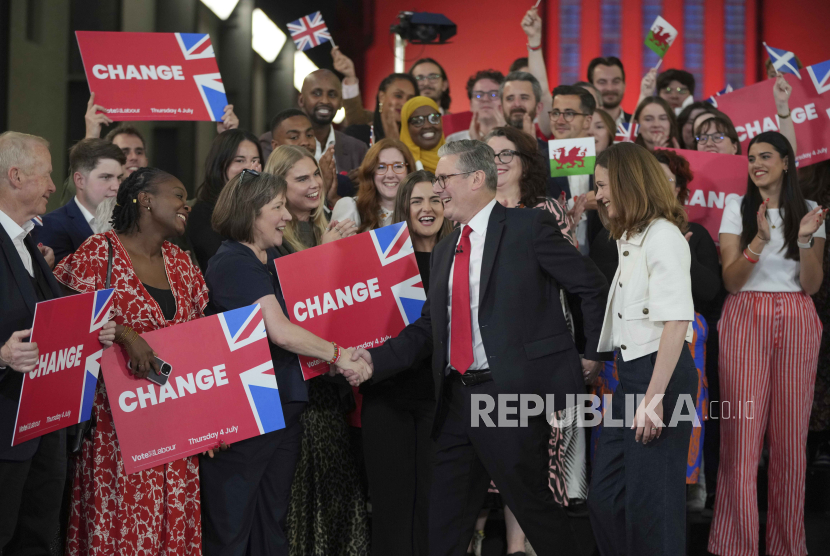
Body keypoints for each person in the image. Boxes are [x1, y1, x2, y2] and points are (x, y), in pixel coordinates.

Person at [341, 139, 609, 555]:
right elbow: (430, 328)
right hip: (456, 402)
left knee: (534, 509)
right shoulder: (449, 245)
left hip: (511, 397)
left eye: (445, 179)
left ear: (477, 178)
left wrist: (591, 354)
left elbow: (590, 285)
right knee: (444, 522)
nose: (440, 189)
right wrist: (373, 360)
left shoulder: (527, 227)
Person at [200, 169, 371, 555]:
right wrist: (340, 356)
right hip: (248, 414)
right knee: (231, 527)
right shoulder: (232, 263)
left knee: (271, 521)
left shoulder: (273, 253)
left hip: (286, 408)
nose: (287, 216)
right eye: (277, 207)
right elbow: (280, 331)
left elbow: (309, 314)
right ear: (249, 212)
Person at [55, 167, 209, 555]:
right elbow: (63, 330)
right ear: (145, 200)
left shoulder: (182, 263)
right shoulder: (98, 253)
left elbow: (202, 341)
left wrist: (211, 421)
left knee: (171, 531)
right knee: (121, 530)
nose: (184, 204)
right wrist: (124, 334)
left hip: (175, 429)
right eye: (177, 195)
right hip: (115, 429)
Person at [709, 131, 827, 556]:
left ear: (786, 161)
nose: (756, 163)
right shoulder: (735, 208)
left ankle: (787, 546)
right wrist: (758, 238)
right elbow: (731, 280)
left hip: (797, 317)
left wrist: (804, 238)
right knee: (741, 436)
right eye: (751, 157)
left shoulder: (811, 212)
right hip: (745, 318)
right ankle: (734, 544)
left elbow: (811, 285)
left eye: (765, 156)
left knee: (791, 442)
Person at [0, 131, 114, 554]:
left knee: (36, 539)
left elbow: (49, 312)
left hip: (43, 425)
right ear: (15, 176)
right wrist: (1, 355)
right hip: (6, 429)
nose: (53, 186)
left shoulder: (28, 239)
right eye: (46, 176)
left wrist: (92, 328)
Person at [588, 141, 698, 556]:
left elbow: (677, 321)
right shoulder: (630, 235)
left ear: (627, 181)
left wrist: (652, 400)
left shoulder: (664, 237)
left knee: (654, 510)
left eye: (603, 185)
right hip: (631, 376)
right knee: (608, 500)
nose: (599, 194)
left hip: (661, 378)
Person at [263, 149, 369, 552]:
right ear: (278, 189)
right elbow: (289, 312)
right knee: (299, 490)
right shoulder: (271, 243)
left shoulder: (333, 227)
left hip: (333, 382)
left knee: (337, 486)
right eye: (301, 179)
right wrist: (323, 254)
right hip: (296, 383)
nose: (314, 184)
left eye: (315, 176)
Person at [360, 170, 452, 556]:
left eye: (435, 200)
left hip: (439, 401)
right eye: (417, 201)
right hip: (387, 397)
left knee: (435, 504)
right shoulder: (378, 263)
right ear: (403, 209)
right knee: (392, 506)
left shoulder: (459, 260)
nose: (427, 209)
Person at [37, 138, 125, 263]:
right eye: (106, 177)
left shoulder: (127, 225)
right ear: (80, 180)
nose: (116, 186)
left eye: (119, 178)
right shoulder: (51, 227)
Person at [186, 129, 262, 270]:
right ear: (220, 165)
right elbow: (230, 264)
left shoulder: (263, 206)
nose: (249, 168)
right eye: (239, 160)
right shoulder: (203, 213)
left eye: (255, 161)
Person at [264, 145, 357, 252]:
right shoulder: (271, 238)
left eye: (316, 174)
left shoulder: (331, 222)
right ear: (278, 186)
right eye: (302, 179)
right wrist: (326, 250)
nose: (315, 184)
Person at [549, 85, 598, 253]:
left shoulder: (607, 164)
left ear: (587, 121)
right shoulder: (535, 164)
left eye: (569, 114)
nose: (560, 120)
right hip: (555, 255)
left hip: (600, 259)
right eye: (555, 113)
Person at [331, 138, 416, 232]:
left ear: (409, 171)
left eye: (398, 166)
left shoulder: (420, 211)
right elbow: (334, 247)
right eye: (381, 167)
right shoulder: (351, 207)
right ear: (370, 173)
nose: (390, 175)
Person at [298, 69, 368, 173]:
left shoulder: (358, 149)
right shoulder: (279, 142)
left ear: (340, 103)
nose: (325, 101)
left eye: (332, 95)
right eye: (317, 93)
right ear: (301, 100)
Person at [446, 70, 506, 142]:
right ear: (471, 104)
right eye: (479, 95)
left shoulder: (517, 138)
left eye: (493, 94)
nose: (485, 99)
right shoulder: (454, 141)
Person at [399, 97, 445, 173]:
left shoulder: (458, 158)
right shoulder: (400, 165)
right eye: (417, 121)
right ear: (406, 127)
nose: (427, 126)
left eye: (433, 118)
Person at [499, 71, 545, 141]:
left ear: (538, 107)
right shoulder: (490, 150)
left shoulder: (550, 151)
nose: (517, 104)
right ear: (501, 108)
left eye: (524, 98)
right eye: (510, 98)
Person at [587, 56, 632, 126]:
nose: (610, 88)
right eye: (602, 82)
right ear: (590, 87)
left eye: (616, 81)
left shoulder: (637, 125)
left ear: (624, 85)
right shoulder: (582, 126)